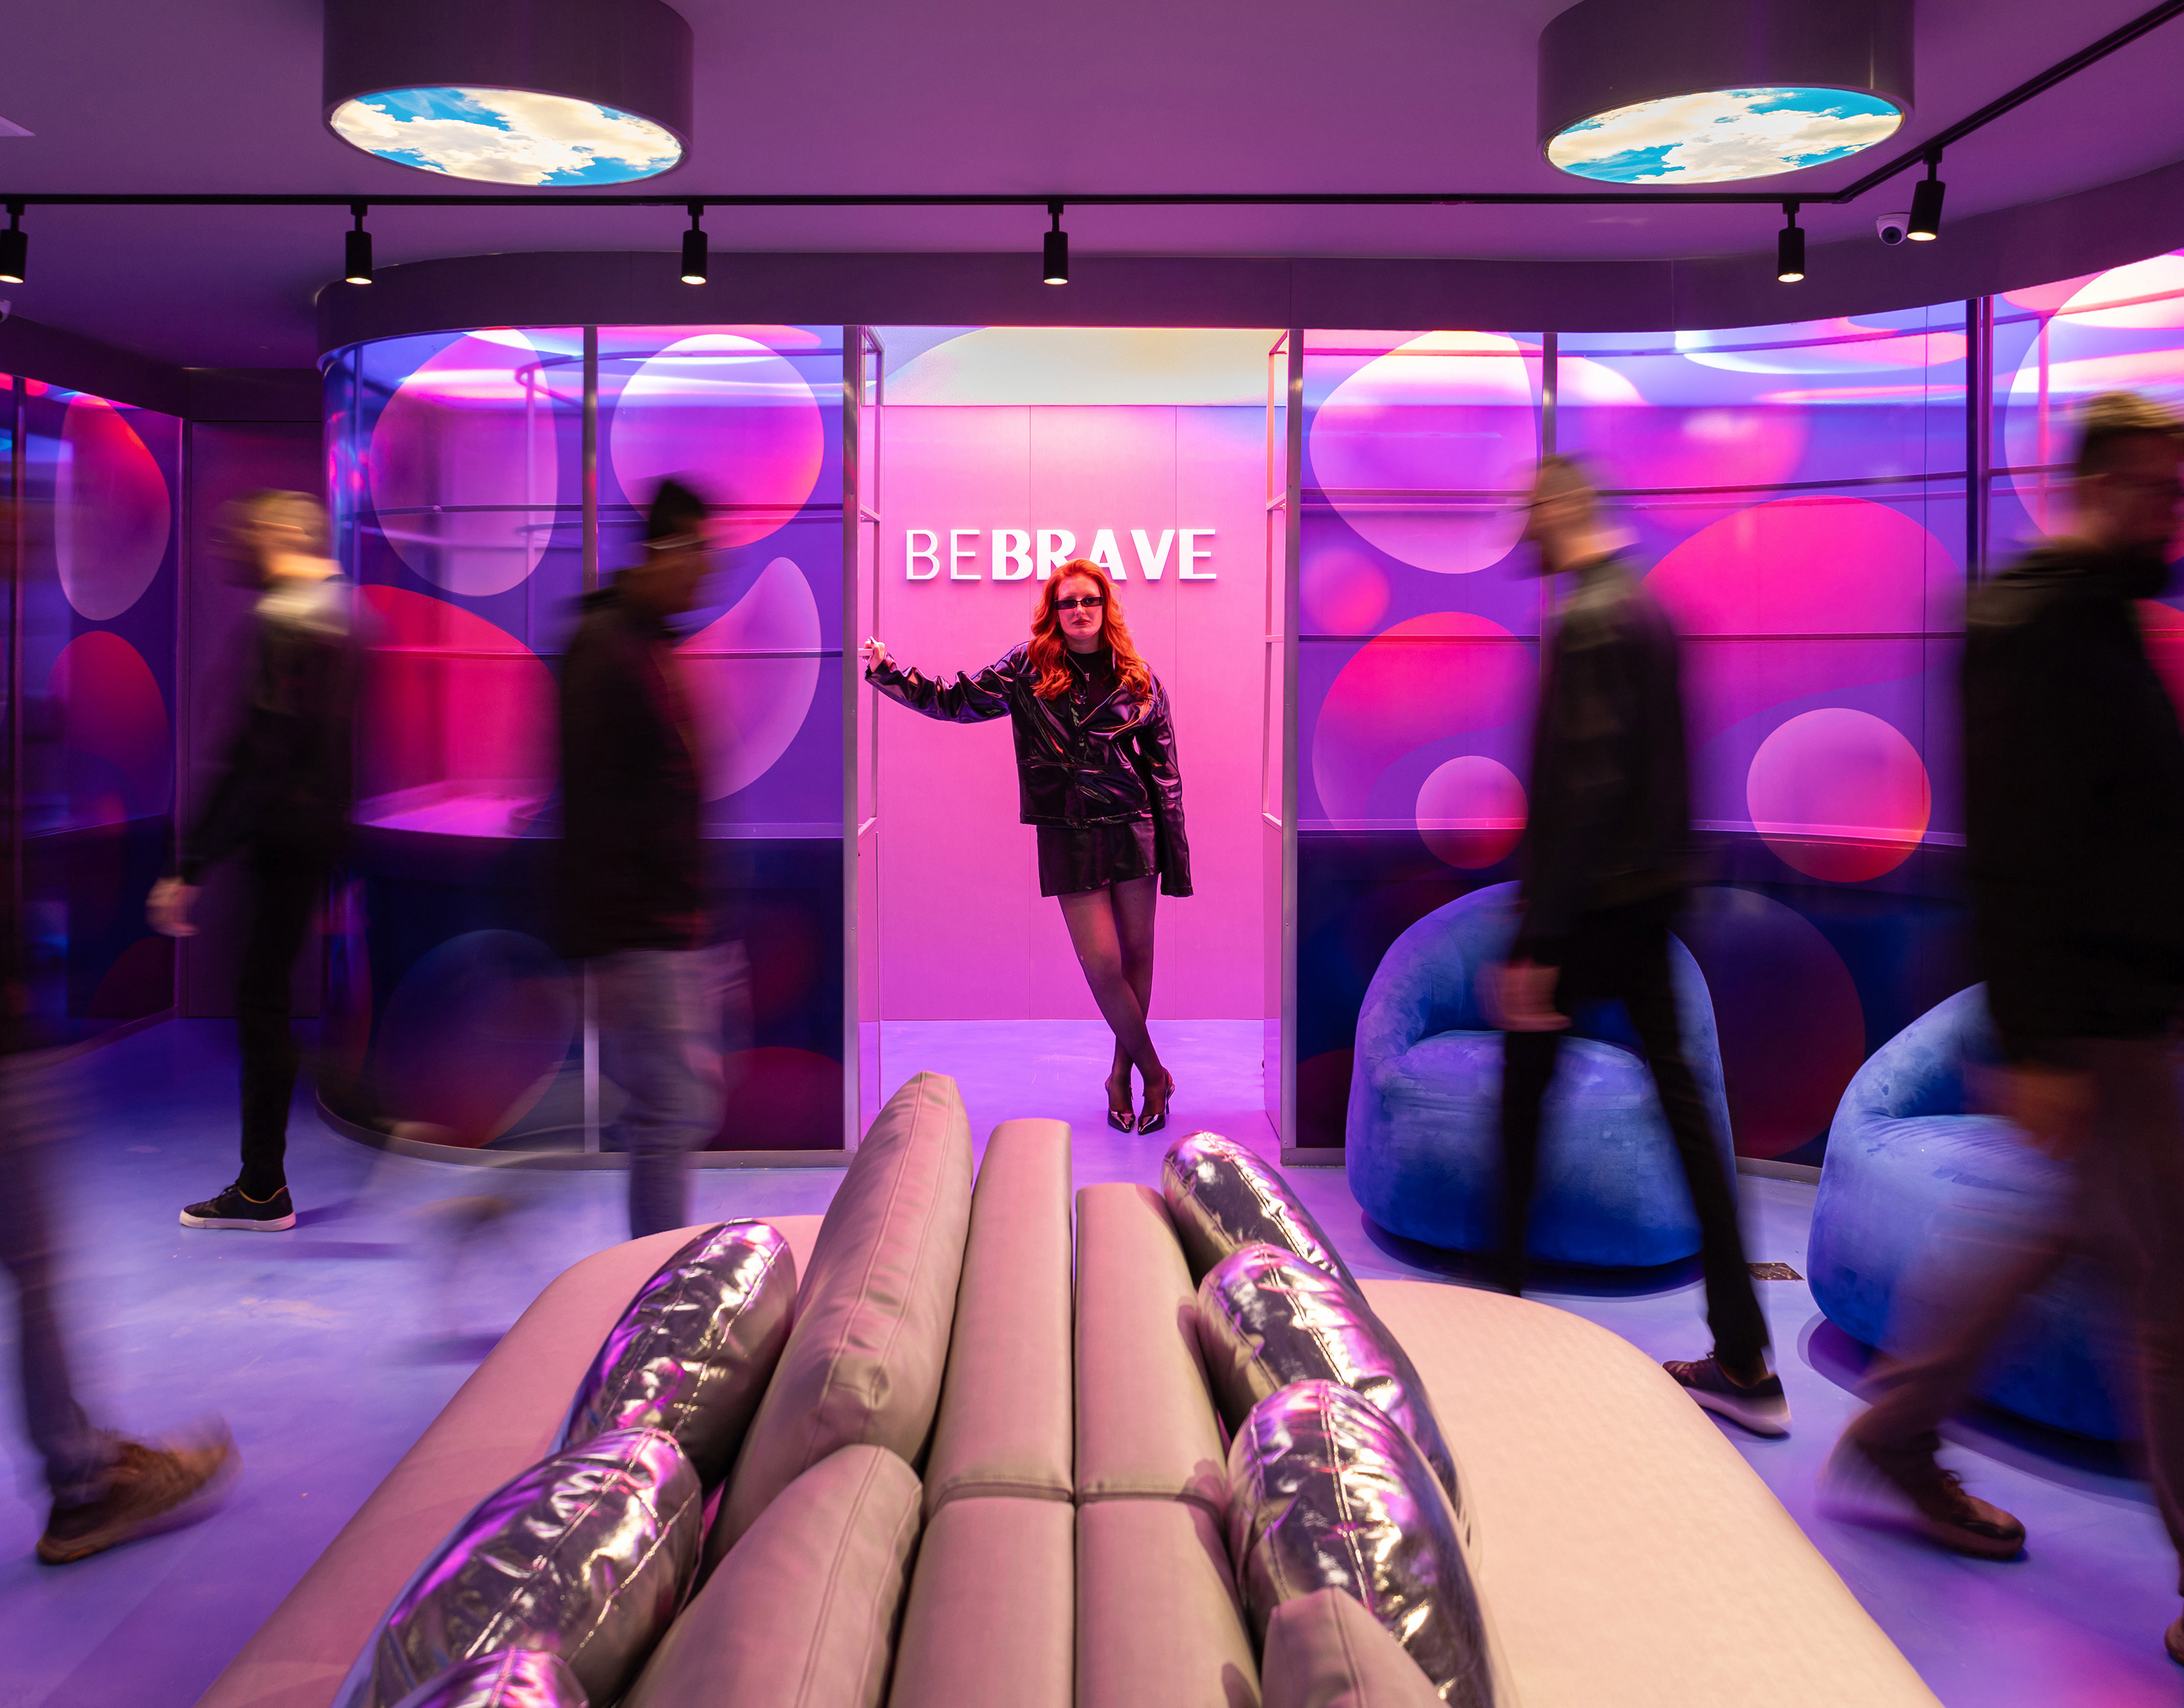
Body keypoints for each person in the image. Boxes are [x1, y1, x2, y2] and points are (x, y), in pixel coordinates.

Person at [1825, 392, 2184, 1668]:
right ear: (2093, 484)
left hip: (2123, 1004)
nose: (2169, 513)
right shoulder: (2030, 623)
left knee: (2063, 1238)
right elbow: (2017, 852)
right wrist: (2033, 1044)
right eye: (2152, 489)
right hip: (2087, 1018)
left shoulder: (2101, 613)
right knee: (2165, 1292)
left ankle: (1894, 1430)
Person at [1489, 455, 1784, 1434]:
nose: (1519, 529)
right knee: (1690, 1122)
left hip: (1588, 911)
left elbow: (1584, 789)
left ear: (1560, 508)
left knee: (1519, 1110)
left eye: (1528, 510)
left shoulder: (1588, 619)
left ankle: (1489, 1324)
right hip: (1648, 901)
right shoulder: (1647, 609)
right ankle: (1743, 1353)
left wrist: (1538, 939)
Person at [859, 558, 1191, 1133]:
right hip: (1067, 829)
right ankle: (1156, 1073)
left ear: (1105, 607)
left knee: (1137, 957)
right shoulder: (1028, 668)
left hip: (1133, 826)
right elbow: (955, 701)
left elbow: (1166, 775)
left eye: (1089, 600)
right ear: (1054, 612)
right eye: (1069, 603)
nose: (1080, 611)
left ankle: (1121, 1076)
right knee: (1102, 964)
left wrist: (1177, 858)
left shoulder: (1140, 678)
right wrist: (889, 672)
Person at [150, 492, 357, 1232]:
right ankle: (267, 1180)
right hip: (317, 840)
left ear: (281, 534)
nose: (239, 544)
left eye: (251, 530)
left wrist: (192, 864)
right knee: (267, 1000)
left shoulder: (284, 618)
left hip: (281, 843)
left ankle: (263, 1187)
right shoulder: (344, 612)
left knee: (261, 1004)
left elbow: (255, 757)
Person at [558, 478, 728, 1238]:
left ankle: (652, 1264)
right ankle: (656, 1284)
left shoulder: (650, 642)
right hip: (638, 930)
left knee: (677, 1104)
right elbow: (590, 802)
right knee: (669, 1108)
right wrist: (602, 945)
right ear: (668, 551)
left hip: (667, 925)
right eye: (701, 557)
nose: (707, 577)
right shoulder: (608, 647)